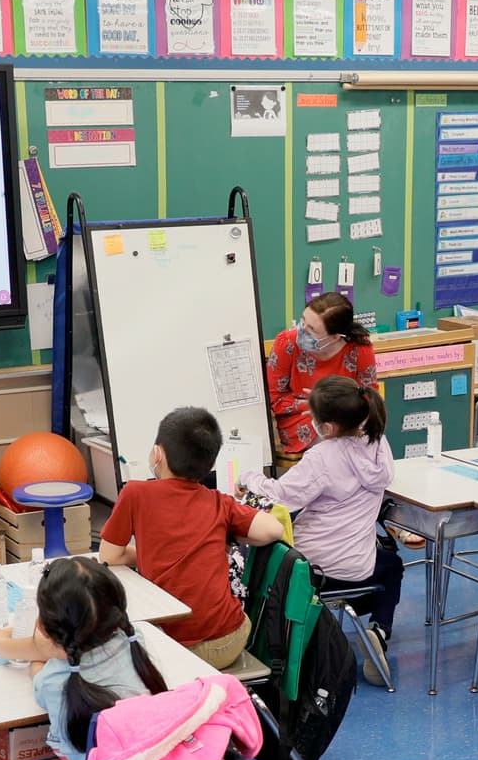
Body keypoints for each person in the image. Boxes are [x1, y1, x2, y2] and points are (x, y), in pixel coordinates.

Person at [237, 374, 401, 686]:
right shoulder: (379, 444)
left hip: (312, 567)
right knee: (391, 566)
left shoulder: (322, 457)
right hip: (358, 567)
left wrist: (248, 477)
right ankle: (378, 631)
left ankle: (323, 624)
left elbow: (281, 495)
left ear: (326, 428)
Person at [98, 407, 285, 668]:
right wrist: (224, 536)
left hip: (165, 646)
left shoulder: (135, 493)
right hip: (227, 644)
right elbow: (274, 529)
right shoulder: (219, 502)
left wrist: (152, 552)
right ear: (210, 464)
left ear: (157, 454)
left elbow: (109, 556)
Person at [0, 558, 169, 760]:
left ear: (42, 627)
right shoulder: (135, 641)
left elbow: (37, 674)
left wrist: (41, 652)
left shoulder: (55, 681)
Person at [267, 292, 377, 455]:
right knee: (336, 444)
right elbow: (274, 396)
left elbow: (369, 396)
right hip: (301, 418)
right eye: (303, 321)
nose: (302, 330)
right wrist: (317, 406)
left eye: (311, 328)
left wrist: (337, 409)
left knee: (360, 439)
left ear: (334, 337)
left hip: (346, 416)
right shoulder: (287, 343)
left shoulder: (360, 348)